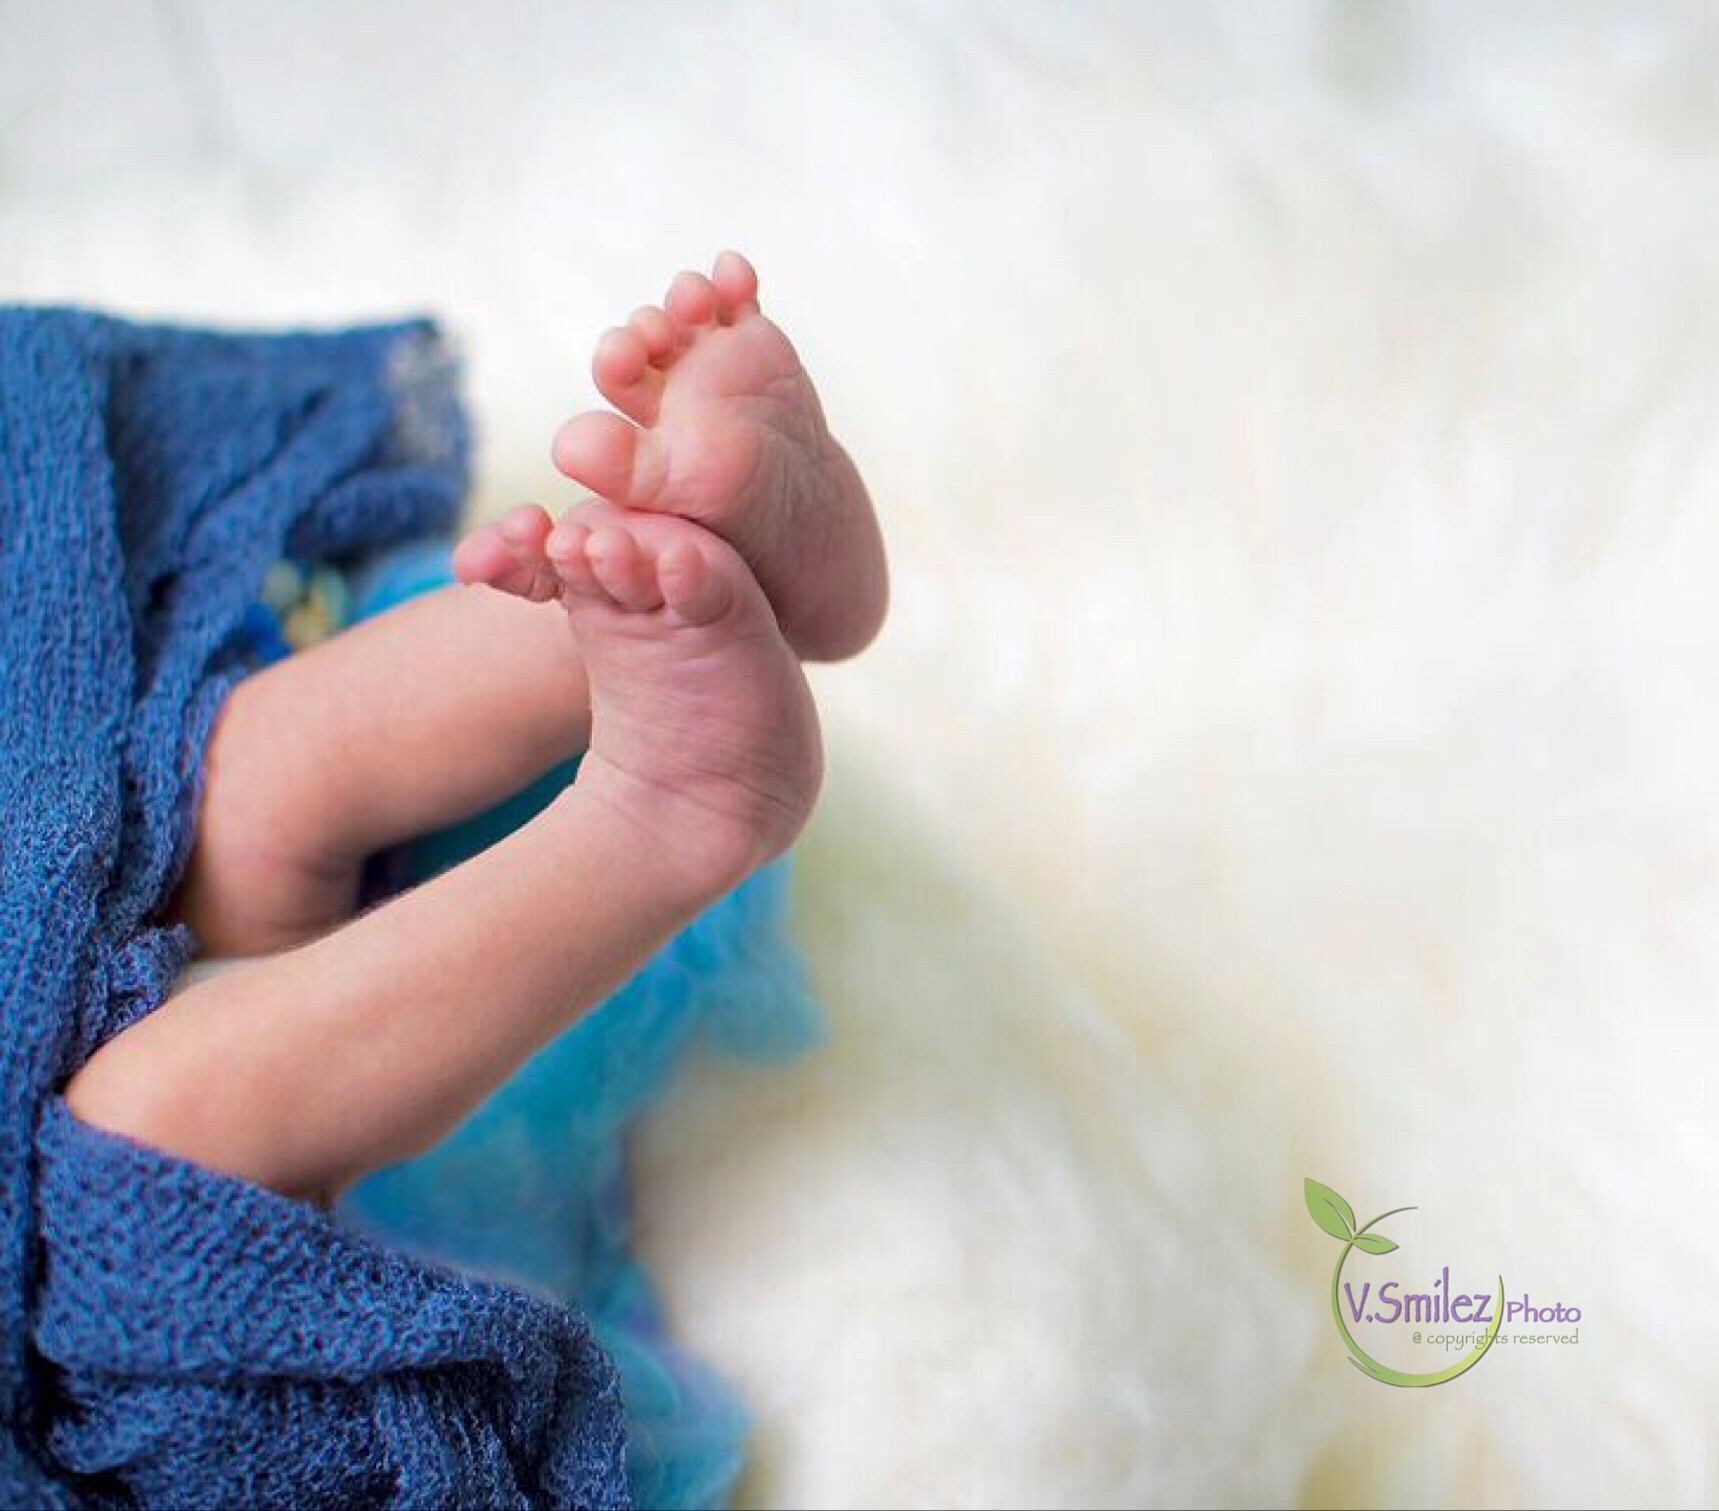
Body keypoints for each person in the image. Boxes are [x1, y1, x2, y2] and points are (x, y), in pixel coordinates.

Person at [64, 251, 887, 1205]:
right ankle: (659, 801)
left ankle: (679, 583)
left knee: (210, 779)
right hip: (354, 1097)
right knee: (129, 1144)